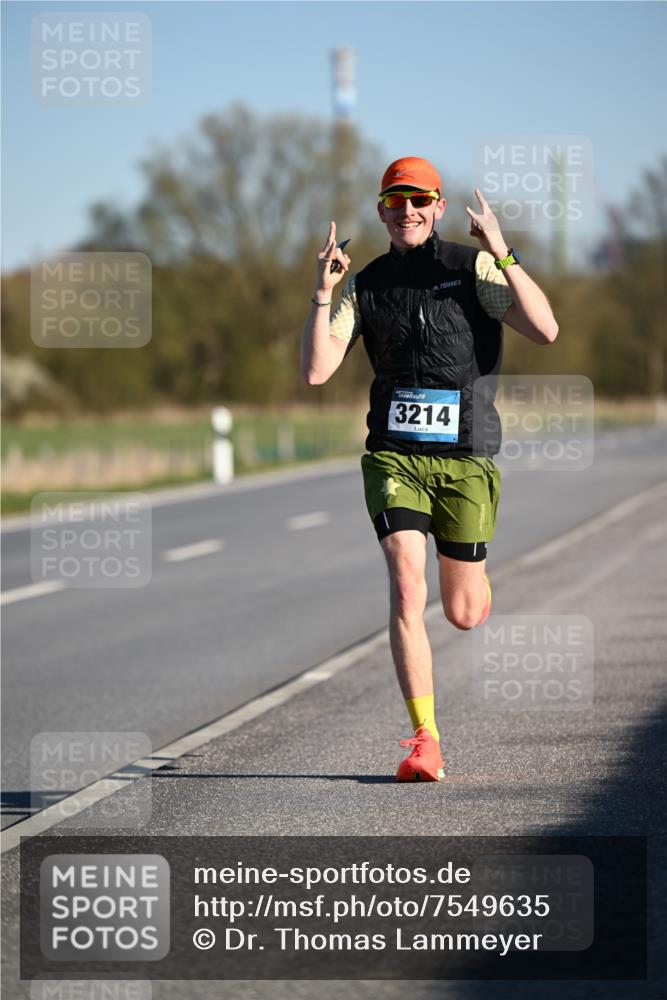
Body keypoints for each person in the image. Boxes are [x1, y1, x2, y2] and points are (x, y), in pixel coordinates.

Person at [301, 156, 558, 782]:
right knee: (407, 587)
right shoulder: (369, 284)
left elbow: (545, 329)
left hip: (465, 458)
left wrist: (501, 250)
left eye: (419, 201)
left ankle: (475, 583)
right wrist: (324, 292)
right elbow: (317, 369)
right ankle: (425, 739)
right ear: (382, 210)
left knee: (464, 611)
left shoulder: (471, 270)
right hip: (395, 456)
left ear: (438, 207)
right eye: (395, 202)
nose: (407, 212)